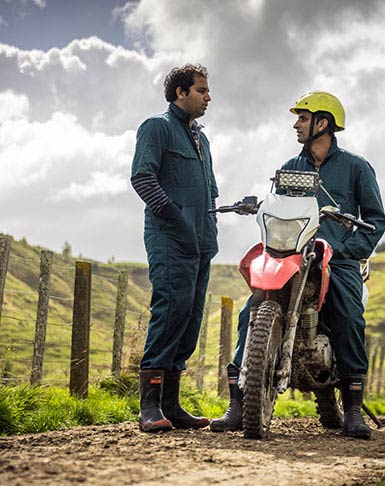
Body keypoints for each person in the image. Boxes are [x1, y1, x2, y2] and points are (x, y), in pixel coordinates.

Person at [210, 91, 385, 439]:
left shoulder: (357, 167)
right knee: (251, 310)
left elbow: (376, 220)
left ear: (323, 123)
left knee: (349, 315)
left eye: (303, 118)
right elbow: (277, 207)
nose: (296, 124)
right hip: (289, 255)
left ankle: (352, 409)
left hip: (337, 260)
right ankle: (238, 401)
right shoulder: (291, 167)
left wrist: (349, 250)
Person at [130, 64, 218, 433]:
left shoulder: (202, 138)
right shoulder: (157, 128)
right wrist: (176, 217)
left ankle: (171, 404)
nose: (208, 96)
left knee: (191, 317)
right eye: (201, 90)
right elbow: (142, 178)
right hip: (170, 239)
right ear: (180, 93)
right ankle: (149, 406)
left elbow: (210, 190)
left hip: (202, 243)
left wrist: (210, 226)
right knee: (170, 311)